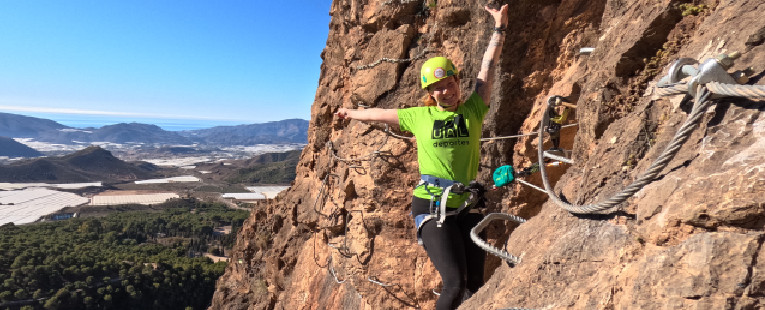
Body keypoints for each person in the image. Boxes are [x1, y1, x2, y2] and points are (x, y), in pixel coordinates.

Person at [336, 4, 508, 309]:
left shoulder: (473, 110)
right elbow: (380, 114)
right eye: (437, 88)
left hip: (466, 203)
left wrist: (499, 28)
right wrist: (349, 113)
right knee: (454, 285)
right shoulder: (420, 116)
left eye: (449, 84)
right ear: (430, 92)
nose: (446, 92)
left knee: (475, 286)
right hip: (432, 203)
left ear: (457, 82)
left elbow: (487, 69)